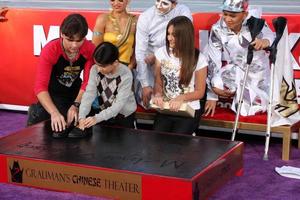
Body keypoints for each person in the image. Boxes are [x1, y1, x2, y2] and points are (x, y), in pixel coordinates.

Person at [27, 13, 95, 138]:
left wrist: (76, 104)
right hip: (53, 94)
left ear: (85, 37)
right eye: (70, 40)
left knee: (83, 125)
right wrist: (54, 113)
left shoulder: (90, 49)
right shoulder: (50, 50)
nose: (74, 46)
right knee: (55, 128)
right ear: (62, 34)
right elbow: (40, 87)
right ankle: (38, 110)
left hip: (75, 94)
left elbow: (88, 82)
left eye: (79, 40)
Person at [204, 0, 275, 117]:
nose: (227, 19)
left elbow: (269, 35)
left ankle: (251, 96)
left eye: (233, 16)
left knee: (253, 110)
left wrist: (264, 42)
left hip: (258, 73)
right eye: (225, 14)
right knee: (216, 83)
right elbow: (213, 60)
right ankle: (237, 92)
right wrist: (212, 95)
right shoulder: (217, 28)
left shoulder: (256, 23)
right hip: (237, 70)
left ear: (245, 14)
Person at [151, 16, 207, 135]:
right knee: (157, 141)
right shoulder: (161, 53)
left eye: (174, 35)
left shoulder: (199, 58)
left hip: (188, 110)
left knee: (178, 145)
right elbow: (158, 82)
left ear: (184, 37)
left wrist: (181, 98)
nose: (169, 38)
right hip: (165, 109)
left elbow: (200, 92)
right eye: (168, 34)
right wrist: (157, 94)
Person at [135, 0, 192, 108]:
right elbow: (140, 52)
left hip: (177, 59)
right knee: (150, 101)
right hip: (151, 65)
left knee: (175, 103)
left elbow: (185, 40)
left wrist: (159, 54)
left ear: (174, 4)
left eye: (164, 3)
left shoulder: (183, 12)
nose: (159, 6)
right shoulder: (146, 17)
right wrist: (145, 85)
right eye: (157, 1)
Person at [75, 42, 136, 135]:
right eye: (97, 64)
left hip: (123, 116)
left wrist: (96, 118)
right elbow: (89, 94)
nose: (99, 69)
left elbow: (118, 105)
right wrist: (82, 116)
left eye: (103, 66)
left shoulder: (125, 74)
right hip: (104, 113)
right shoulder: (95, 69)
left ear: (115, 63)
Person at [92, 0, 137, 69]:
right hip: (105, 66)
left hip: (126, 68)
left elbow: (138, 49)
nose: (116, 3)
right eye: (112, 0)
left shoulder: (135, 21)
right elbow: (96, 47)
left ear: (127, 1)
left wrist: (130, 66)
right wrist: (103, 67)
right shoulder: (102, 19)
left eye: (120, 0)